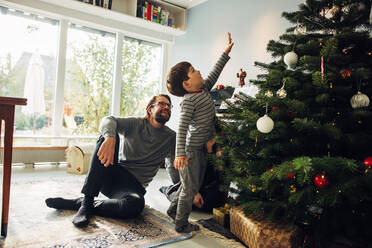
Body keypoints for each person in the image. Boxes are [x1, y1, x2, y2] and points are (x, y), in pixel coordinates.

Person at [45, 94, 176, 228]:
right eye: (162, 103)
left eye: (169, 105)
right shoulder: (136, 124)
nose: (166, 107)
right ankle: (87, 200)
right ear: (150, 109)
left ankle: (80, 204)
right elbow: (108, 119)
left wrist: (180, 187)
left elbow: (173, 165)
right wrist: (110, 138)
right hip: (111, 174)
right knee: (105, 137)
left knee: (135, 205)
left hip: (133, 187)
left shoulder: (171, 137)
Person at [165, 32, 233, 233]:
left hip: (202, 148)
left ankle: (172, 210)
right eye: (193, 71)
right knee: (190, 189)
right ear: (187, 84)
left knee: (190, 185)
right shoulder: (188, 102)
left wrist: (225, 53)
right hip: (191, 151)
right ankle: (181, 224)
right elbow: (182, 128)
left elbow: (215, 72)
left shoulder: (203, 89)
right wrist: (180, 154)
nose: (199, 71)